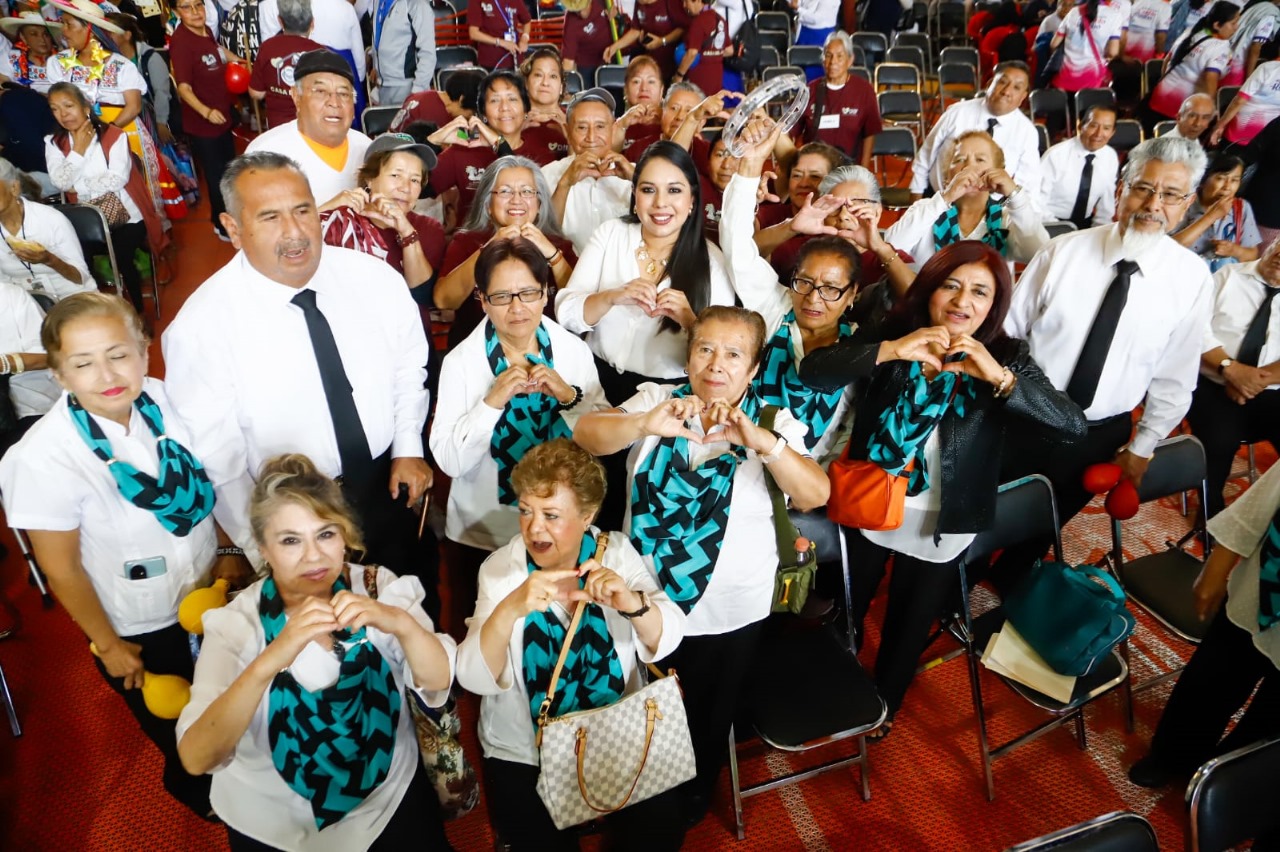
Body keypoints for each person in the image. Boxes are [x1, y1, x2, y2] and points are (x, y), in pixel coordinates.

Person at [799, 241, 1086, 735]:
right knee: (849, 605)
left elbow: (1072, 427)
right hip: (872, 499)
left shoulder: (1007, 355)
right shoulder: (895, 331)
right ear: (930, 290)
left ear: (994, 304)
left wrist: (999, 380)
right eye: (950, 285)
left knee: (909, 624)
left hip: (940, 518)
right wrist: (890, 351)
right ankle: (833, 683)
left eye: (979, 291)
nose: (962, 301)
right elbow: (815, 371)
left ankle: (884, 705)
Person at [0, 293, 253, 820]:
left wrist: (229, 548)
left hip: (209, 584)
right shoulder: (41, 458)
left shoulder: (162, 399)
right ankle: (200, 793)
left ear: (143, 350)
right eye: (82, 363)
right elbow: (61, 567)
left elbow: (213, 478)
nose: (106, 374)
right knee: (174, 716)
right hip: (138, 620)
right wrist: (109, 644)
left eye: (118, 353)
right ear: (60, 375)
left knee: (228, 690)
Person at [573, 305, 830, 824]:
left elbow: (814, 494)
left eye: (734, 354)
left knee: (708, 719)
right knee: (630, 701)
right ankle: (621, 791)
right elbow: (586, 436)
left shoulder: (771, 422)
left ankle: (685, 807)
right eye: (705, 349)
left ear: (754, 368)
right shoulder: (657, 400)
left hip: (729, 613)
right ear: (688, 357)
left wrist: (764, 445)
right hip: (639, 603)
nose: (717, 365)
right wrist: (645, 423)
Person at [162, 152, 438, 611]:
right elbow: (219, 458)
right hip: (293, 512)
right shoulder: (201, 327)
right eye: (270, 217)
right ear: (233, 229)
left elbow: (410, 362)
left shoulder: (371, 277)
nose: (294, 232)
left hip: (386, 483)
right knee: (328, 644)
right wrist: (267, 549)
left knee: (413, 604)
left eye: (303, 209)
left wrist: (408, 444)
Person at [176, 453, 456, 850]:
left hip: (387, 798)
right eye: (290, 540)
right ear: (263, 549)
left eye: (326, 534)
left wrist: (399, 623)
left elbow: (439, 681)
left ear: (345, 535)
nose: (313, 556)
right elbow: (197, 758)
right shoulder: (235, 626)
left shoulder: (379, 587)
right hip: (275, 825)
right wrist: (272, 658)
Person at [989, 136, 1213, 594]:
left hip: (1099, 432)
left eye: (1170, 195)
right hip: (1022, 412)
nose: (1153, 204)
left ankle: (1007, 576)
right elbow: (1008, 333)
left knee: (1043, 524)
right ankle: (952, 580)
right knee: (983, 511)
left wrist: (1145, 444)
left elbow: (1175, 374)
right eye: (1142, 188)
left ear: (1188, 203)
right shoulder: (1062, 252)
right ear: (1119, 189)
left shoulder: (1191, 279)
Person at [455, 438, 687, 850]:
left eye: (551, 515)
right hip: (526, 748)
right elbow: (473, 676)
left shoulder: (614, 552)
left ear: (587, 515)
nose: (533, 528)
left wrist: (632, 605)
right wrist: (509, 609)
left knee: (661, 826)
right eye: (525, 511)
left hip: (619, 724)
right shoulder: (500, 571)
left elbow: (668, 636)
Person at [431, 240, 606, 625]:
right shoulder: (462, 361)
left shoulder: (572, 351)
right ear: (481, 299)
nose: (517, 308)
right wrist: (491, 402)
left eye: (528, 293)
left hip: (559, 529)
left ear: (546, 293)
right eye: (502, 296)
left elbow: (601, 439)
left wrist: (568, 395)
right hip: (484, 528)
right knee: (484, 633)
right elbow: (449, 460)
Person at [1127, 459, 1280, 789]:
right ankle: (1173, 756)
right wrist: (1216, 568)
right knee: (1211, 681)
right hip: (1259, 593)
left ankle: (1225, 785)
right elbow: (1258, 506)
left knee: (1269, 725)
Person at [554, 140, 737, 404]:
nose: (661, 203)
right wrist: (610, 297)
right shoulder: (611, 234)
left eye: (674, 190)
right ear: (635, 197)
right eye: (648, 190)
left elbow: (724, 356)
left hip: (666, 398)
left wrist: (688, 319)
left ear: (692, 201)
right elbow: (566, 314)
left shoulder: (712, 261)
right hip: (592, 382)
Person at [720, 135, 865, 463]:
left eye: (830, 289)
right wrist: (750, 165)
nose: (813, 299)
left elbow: (852, 423)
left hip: (808, 480)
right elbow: (736, 248)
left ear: (852, 294)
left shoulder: (858, 344)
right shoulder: (777, 306)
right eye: (804, 282)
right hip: (741, 460)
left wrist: (820, 475)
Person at [45, 82, 164, 314]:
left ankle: (137, 313)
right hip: (85, 220)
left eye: (68, 106)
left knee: (121, 256)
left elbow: (117, 179)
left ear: (85, 106)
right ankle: (97, 311)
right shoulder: (54, 143)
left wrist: (79, 185)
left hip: (126, 216)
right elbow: (59, 182)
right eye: (55, 109)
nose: (63, 114)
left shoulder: (114, 135)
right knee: (79, 258)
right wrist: (78, 150)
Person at [434, 157, 576, 349]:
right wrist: (489, 248)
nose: (516, 200)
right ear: (488, 205)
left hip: (550, 354)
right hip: (476, 354)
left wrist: (552, 253)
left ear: (540, 204)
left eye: (526, 191)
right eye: (505, 191)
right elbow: (444, 300)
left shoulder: (559, 246)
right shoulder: (467, 242)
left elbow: (579, 306)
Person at [46, 0, 167, 220]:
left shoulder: (121, 65)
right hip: (78, 134)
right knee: (88, 183)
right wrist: (87, 136)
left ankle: (145, 234)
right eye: (63, 24)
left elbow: (134, 106)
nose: (63, 31)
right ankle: (99, 230)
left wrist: (105, 133)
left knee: (135, 187)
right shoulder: (58, 63)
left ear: (89, 29)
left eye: (69, 24)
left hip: (122, 130)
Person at [1188, 240, 1280, 519]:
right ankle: (1208, 515)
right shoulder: (1226, 277)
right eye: (1279, 247)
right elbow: (1194, 330)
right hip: (1213, 382)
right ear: (1271, 245)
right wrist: (1230, 369)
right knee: (1219, 442)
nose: (1279, 256)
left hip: (1270, 388)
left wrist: (1253, 380)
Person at [887, 131, 1049, 267]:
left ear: (999, 172)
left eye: (980, 159)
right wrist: (945, 198)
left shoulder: (1007, 219)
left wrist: (1015, 195)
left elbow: (1039, 253)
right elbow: (891, 247)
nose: (969, 166)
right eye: (959, 160)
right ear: (946, 178)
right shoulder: (927, 210)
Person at [427, 70, 558, 230]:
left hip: (527, 246)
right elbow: (420, 187)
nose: (504, 108)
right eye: (495, 100)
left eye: (512, 99)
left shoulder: (543, 153)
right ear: (483, 114)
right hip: (472, 248)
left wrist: (498, 143)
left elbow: (549, 214)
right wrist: (431, 142)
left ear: (525, 110)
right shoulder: (464, 149)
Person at [319, 133, 444, 301]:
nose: (405, 188)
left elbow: (421, 296)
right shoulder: (342, 223)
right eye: (395, 175)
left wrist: (407, 233)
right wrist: (324, 209)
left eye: (414, 180)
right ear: (370, 178)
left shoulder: (429, 228)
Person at [245, 48, 373, 211]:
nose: (334, 102)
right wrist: (327, 212)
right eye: (320, 92)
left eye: (343, 93)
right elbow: (259, 229)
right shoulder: (264, 156)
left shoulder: (367, 148)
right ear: (296, 97)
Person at [759, 164, 917, 295]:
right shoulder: (800, 248)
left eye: (854, 206)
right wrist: (790, 226)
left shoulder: (892, 259)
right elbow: (745, 255)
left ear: (877, 211)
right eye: (834, 207)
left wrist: (881, 249)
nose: (843, 216)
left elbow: (918, 299)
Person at [910, 61, 1041, 202]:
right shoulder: (957, 112)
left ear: (1023, 97)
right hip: (940, 199)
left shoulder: (1027, 132)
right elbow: (925, 155)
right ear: (989, 83)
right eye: (1002, 82)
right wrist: (916, 197)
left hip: (988, 211)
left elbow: (1028, 184)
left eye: (1016, 87)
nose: (1006, 91)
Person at [169, 0, 239, 241]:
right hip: (204, 124)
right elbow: (184, 88)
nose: (196, 11)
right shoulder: (181, 43)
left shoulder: (206, 30)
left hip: (222, 115)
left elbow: (218, 51)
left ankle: (232, 214)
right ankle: (221, 224)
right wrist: (206, 111)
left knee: (230, 170)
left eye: (198, 4)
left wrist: (237, 61)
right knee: (216, 175)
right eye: (187, 7)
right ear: (177, 12)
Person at [543, 88, 635, 253]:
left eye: (600, 126)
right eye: (582, 127)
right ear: (568, 132)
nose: (591, 137)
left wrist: (637, 181)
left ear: (613, 130)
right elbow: (544, 237)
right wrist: (564, 184)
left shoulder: (635, 174)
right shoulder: (547, 175)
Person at [0, 157, 93, 303]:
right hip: (26, 304)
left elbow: (79, 277)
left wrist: (49, 259)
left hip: (72, 299)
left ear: (14, 188)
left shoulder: (50, 219)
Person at [791, 30, 882, 167]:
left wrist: (864, 169)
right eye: (829, 55)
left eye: (840, 56)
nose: (833, 62)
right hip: (814, 169)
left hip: (849, 170)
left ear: (850, 60)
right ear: (823, 60)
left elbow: (870, 134)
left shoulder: (864, 91)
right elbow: (791, 132)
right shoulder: (809, 91)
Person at [1149, 2, 1241, 121]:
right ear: (1217, 25)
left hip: (1158, 98)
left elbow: (1167, 61)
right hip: (1181, 111)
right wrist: (1209, 111)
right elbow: (1210, 81)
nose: (1236, 27)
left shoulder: (1192, 31)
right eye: (1233, 23)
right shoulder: (1220, 47)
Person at [1174, 152, 1263, 269]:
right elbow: (1168, 247)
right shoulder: (1182, 203)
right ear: (1202, 180)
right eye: (1220, 178)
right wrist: (1211, 216)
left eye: (1234, 180)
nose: (1227, 187)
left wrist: (1234, 250)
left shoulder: (1241, 207)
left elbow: (1253, 255)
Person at [1038, 104, 1121, 229]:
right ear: (1081, 126)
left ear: (1112, 132)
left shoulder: (1110, 156)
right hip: (1049, 221)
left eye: (1106, 128)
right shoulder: (1055, 155)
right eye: (1093, 126)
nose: (1099, 133)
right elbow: (1037, 201)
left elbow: (1106, 204)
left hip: (1086, 223)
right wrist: (1059, 229)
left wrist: (1100, 231)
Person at [247, 0, 323, 131]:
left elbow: (256, 93)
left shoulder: (267, 48)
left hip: (278, 129)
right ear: (312, 23)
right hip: (313, 128)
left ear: (280, 21)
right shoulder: (322, 53)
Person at [755, 140, 849, 230]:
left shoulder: (843, 222)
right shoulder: (768, 216)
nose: (803, 184)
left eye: (815, 176)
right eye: (797, 176)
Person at [370, 0, 435, 107]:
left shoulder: (417, 5)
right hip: (383, 88)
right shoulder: (378, 2)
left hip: (407, 88)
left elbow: (428, 54)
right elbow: (378, 38)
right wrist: (375, 67)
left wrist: (418, 91)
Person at [1049, 0, 1124, 91]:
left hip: (1064, 79)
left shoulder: (1073, 12)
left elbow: (1054, 44)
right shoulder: (1114, 15)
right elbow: (1113, 52)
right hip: (1093, 81)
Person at [606, 1, 688, 80]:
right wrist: (614, 47)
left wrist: (662, 41)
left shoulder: (670, 3)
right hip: (652, 63)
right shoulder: (639, 3)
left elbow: (682, 28)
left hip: (672, 64)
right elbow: (636, 30)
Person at [1211, 57, 1280, 147]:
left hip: (1240, 132)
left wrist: (1220, 125)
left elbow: (1239, 101)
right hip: (1268, 139)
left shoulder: (1267, 68)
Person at [519, 47, 570, 163]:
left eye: (553, 76)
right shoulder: (511, 120)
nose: (545, 83)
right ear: (526, 83)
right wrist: (513, 134)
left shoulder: (575, 120)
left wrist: (573, 136)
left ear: (561, 87)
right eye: (538, 75)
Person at [390, 69, 479, 134]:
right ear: (461, 99)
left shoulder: (419, 97)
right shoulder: (433, 115)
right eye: (472, 112)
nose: (471, 116)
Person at [612, 56, 666, 155]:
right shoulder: (615, 126)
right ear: (625, 90)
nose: (644, 88)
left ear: (661, 90)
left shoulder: (672, 124)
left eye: (651, 81)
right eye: (636, 81)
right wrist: (621, 126)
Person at [674, 0, 727, 97]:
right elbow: (729, 50)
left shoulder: (698, 22)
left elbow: (692, 53)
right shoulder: (720, 19)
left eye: (686, 1)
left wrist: (679, 75)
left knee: (697, 110)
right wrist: (711, 53)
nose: (684, 5)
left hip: (699, 80)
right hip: (716, 80)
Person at [0, 9, 60, 92]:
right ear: (23, 37)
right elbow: (2, 84)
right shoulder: (12, 58)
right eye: (33, 34)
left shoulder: (64, 60)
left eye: (46, 34)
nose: (42, 39)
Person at [1222, 0, 1279, 86]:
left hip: (1227, 55)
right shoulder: (1269, 14)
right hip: (1237, 64)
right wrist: (1249, 79)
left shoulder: (1259, 5)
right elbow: (1255, 46)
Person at [561, 0, 615, 86]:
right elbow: (568, 61)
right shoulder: (571, 21)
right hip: (587, 67)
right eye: (577, 10)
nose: (581, 13)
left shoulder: (605, 2)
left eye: (583, 7)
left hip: (616, 56)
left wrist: (617, 9)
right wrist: (566, 87)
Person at [468, 0, 531, 70]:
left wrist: (525, 38)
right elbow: (473, 33)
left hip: (515, 58)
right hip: (491, 60)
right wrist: (501, 42)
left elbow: (527, 21)